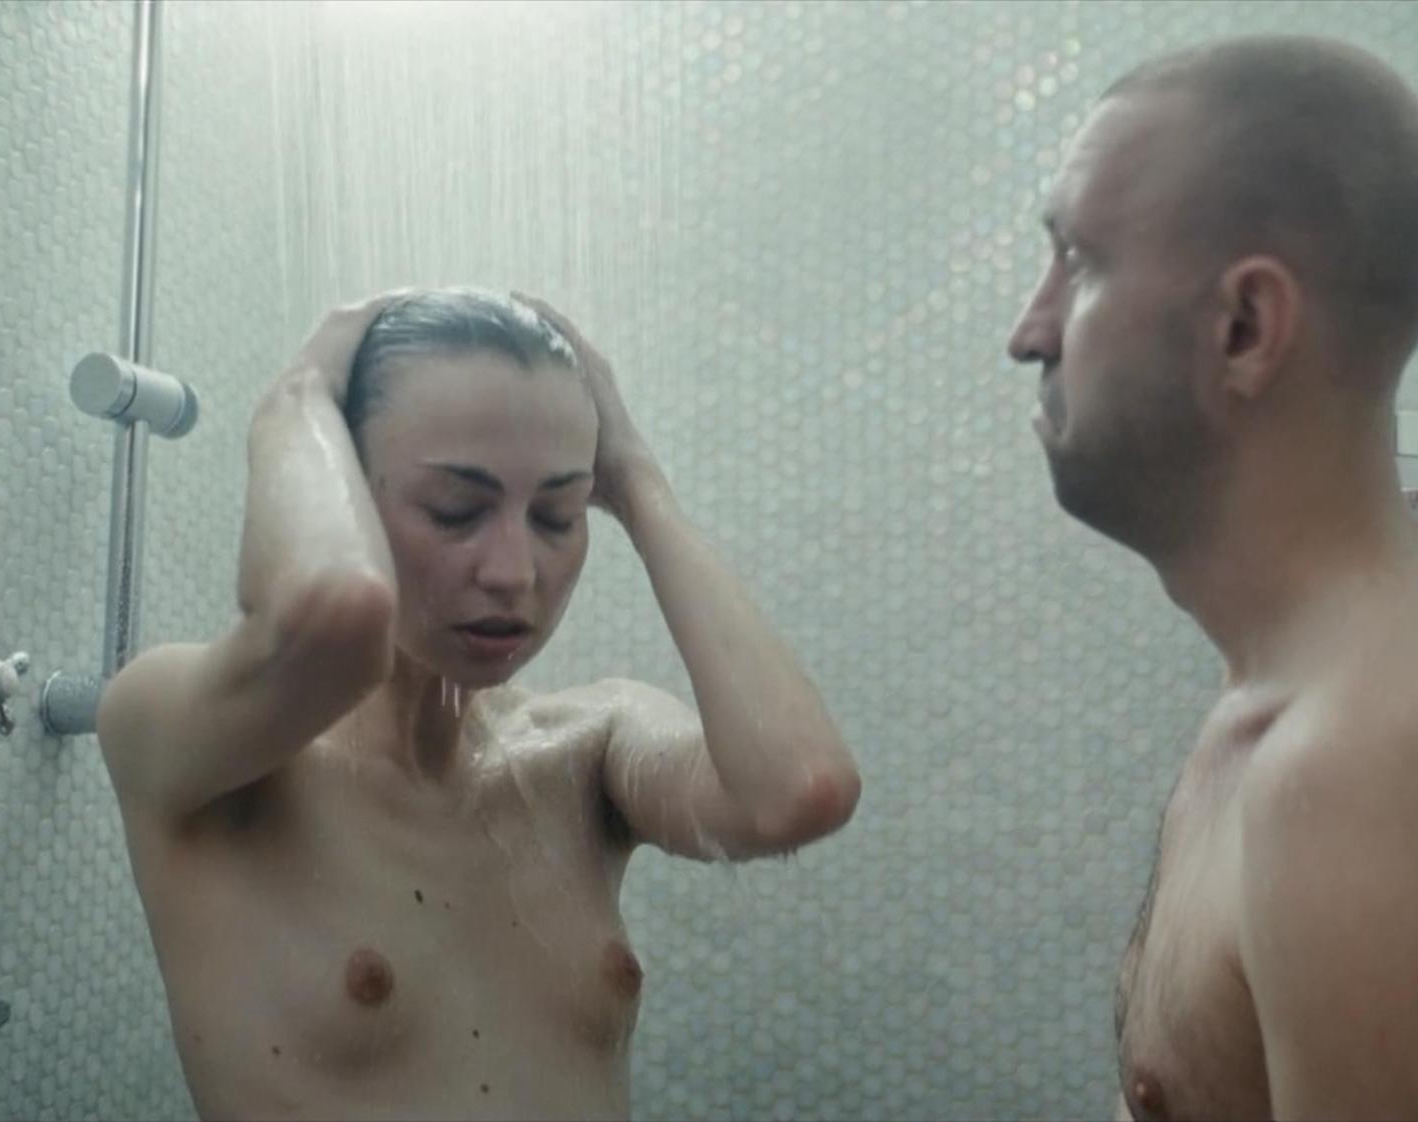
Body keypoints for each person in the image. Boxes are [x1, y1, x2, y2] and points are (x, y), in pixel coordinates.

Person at [97, 287, 860, 1120]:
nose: (514, 572)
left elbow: (799, 789)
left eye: (558, 514)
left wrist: (639, 482)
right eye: (455, 510)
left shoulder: (589, 747)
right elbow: (337, 617)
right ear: (344, 489)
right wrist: (296, 396)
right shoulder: (192, 739)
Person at [1006, 35, 1418, 1122]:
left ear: (1244, 328)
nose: (1028, 332)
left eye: (1079, 262)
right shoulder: (1288, 699)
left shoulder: (1356, 773)